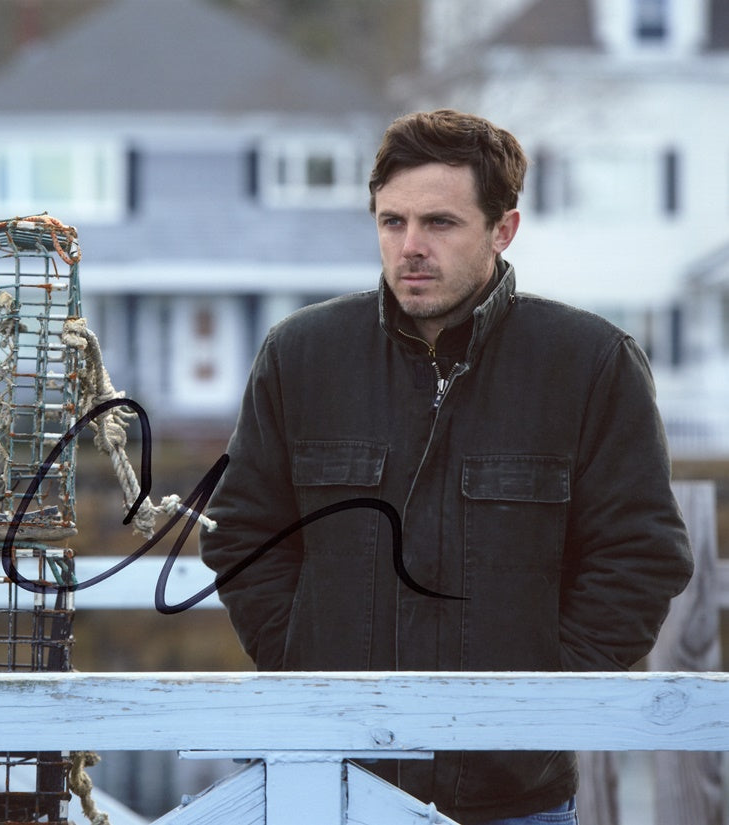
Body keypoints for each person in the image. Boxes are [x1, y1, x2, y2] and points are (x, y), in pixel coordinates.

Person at [199, 109, 694, 825]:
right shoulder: (300, 355)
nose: (409, 247)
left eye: (439, 222)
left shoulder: (588, 363)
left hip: (510, 798)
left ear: (503, 229)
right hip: (321, 780)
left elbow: (638, 557)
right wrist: (302, 658)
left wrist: (531, 704)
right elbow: (243, 534)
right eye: (390, 221)